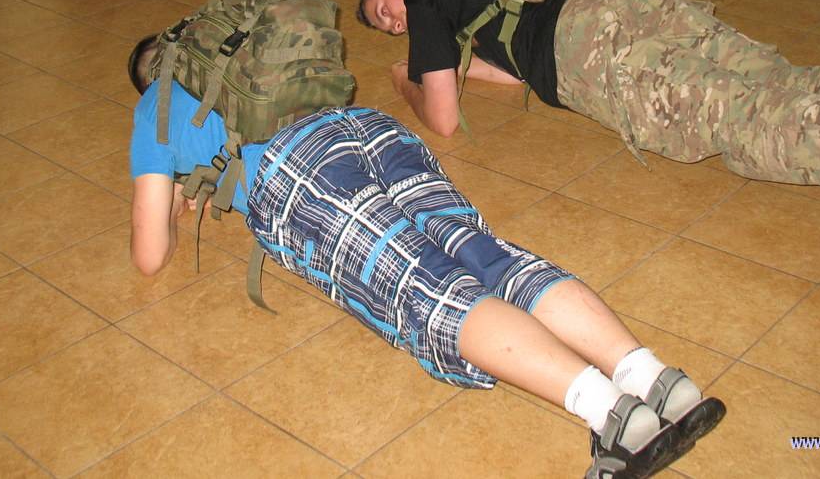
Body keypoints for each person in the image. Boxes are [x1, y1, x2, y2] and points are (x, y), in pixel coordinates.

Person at [126, 37, 726, 478]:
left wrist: (176, 199)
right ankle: (655, 380)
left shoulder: (156, 100)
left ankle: (612, 413)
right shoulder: (244, 46)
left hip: (299, 170)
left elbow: (150, 256)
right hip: (369, 128)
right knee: (488, 258)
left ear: (150, 73)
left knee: (430, 291)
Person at [357, 0, 820, 284]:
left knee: (741, 118)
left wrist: (406, 78)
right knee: (772, 80)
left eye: (383, 11)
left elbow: (442, 119)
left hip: (587, 44)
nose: (393, 25)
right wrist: (453, 62)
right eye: (386, 29)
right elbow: (511, 70)